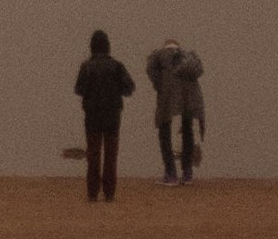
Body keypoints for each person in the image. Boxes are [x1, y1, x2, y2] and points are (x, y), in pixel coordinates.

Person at [74, 31, 134, 202]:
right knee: (110, 155)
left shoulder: (87, 66)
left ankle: (92, 193)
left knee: (93, 154)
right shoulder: (117, 66)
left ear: (92, 46)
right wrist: (116, 91)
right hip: (113, 115)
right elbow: (129, 88)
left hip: (92, 115)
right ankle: (109, 193)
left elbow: (79, 89)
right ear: (108, 46)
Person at [146, 36, 204, 184]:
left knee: (164, 130)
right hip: (191, 100)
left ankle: (170, 174)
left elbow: (153, 76)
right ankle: (187, 173)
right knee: (187, 131)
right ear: (178, 46)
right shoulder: (190, 59)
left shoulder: (158, 56)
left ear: (165, 46)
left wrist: (162, 87)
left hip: (168, 97)